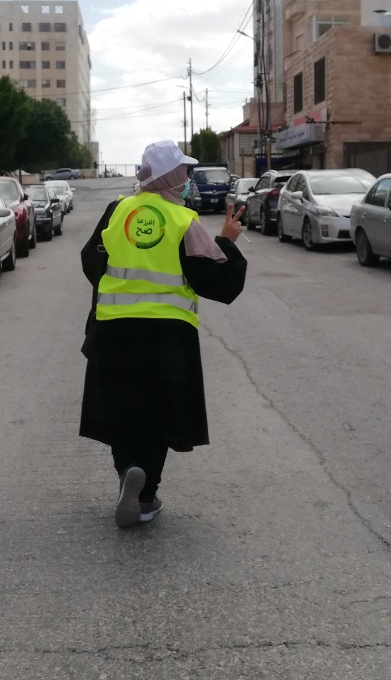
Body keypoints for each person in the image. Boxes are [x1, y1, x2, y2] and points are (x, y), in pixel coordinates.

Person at [79, 140, 248, 528]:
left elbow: (91, 261)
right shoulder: (183, 220)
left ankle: (128, 469)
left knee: (122, 408)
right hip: (168, 335)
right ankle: (144, 495)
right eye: (185, 172)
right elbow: (218, 282)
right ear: (171, 177)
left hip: (114, 329)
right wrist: (226, 240)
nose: (188, 178)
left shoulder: (117, 210)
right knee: (159, 413)